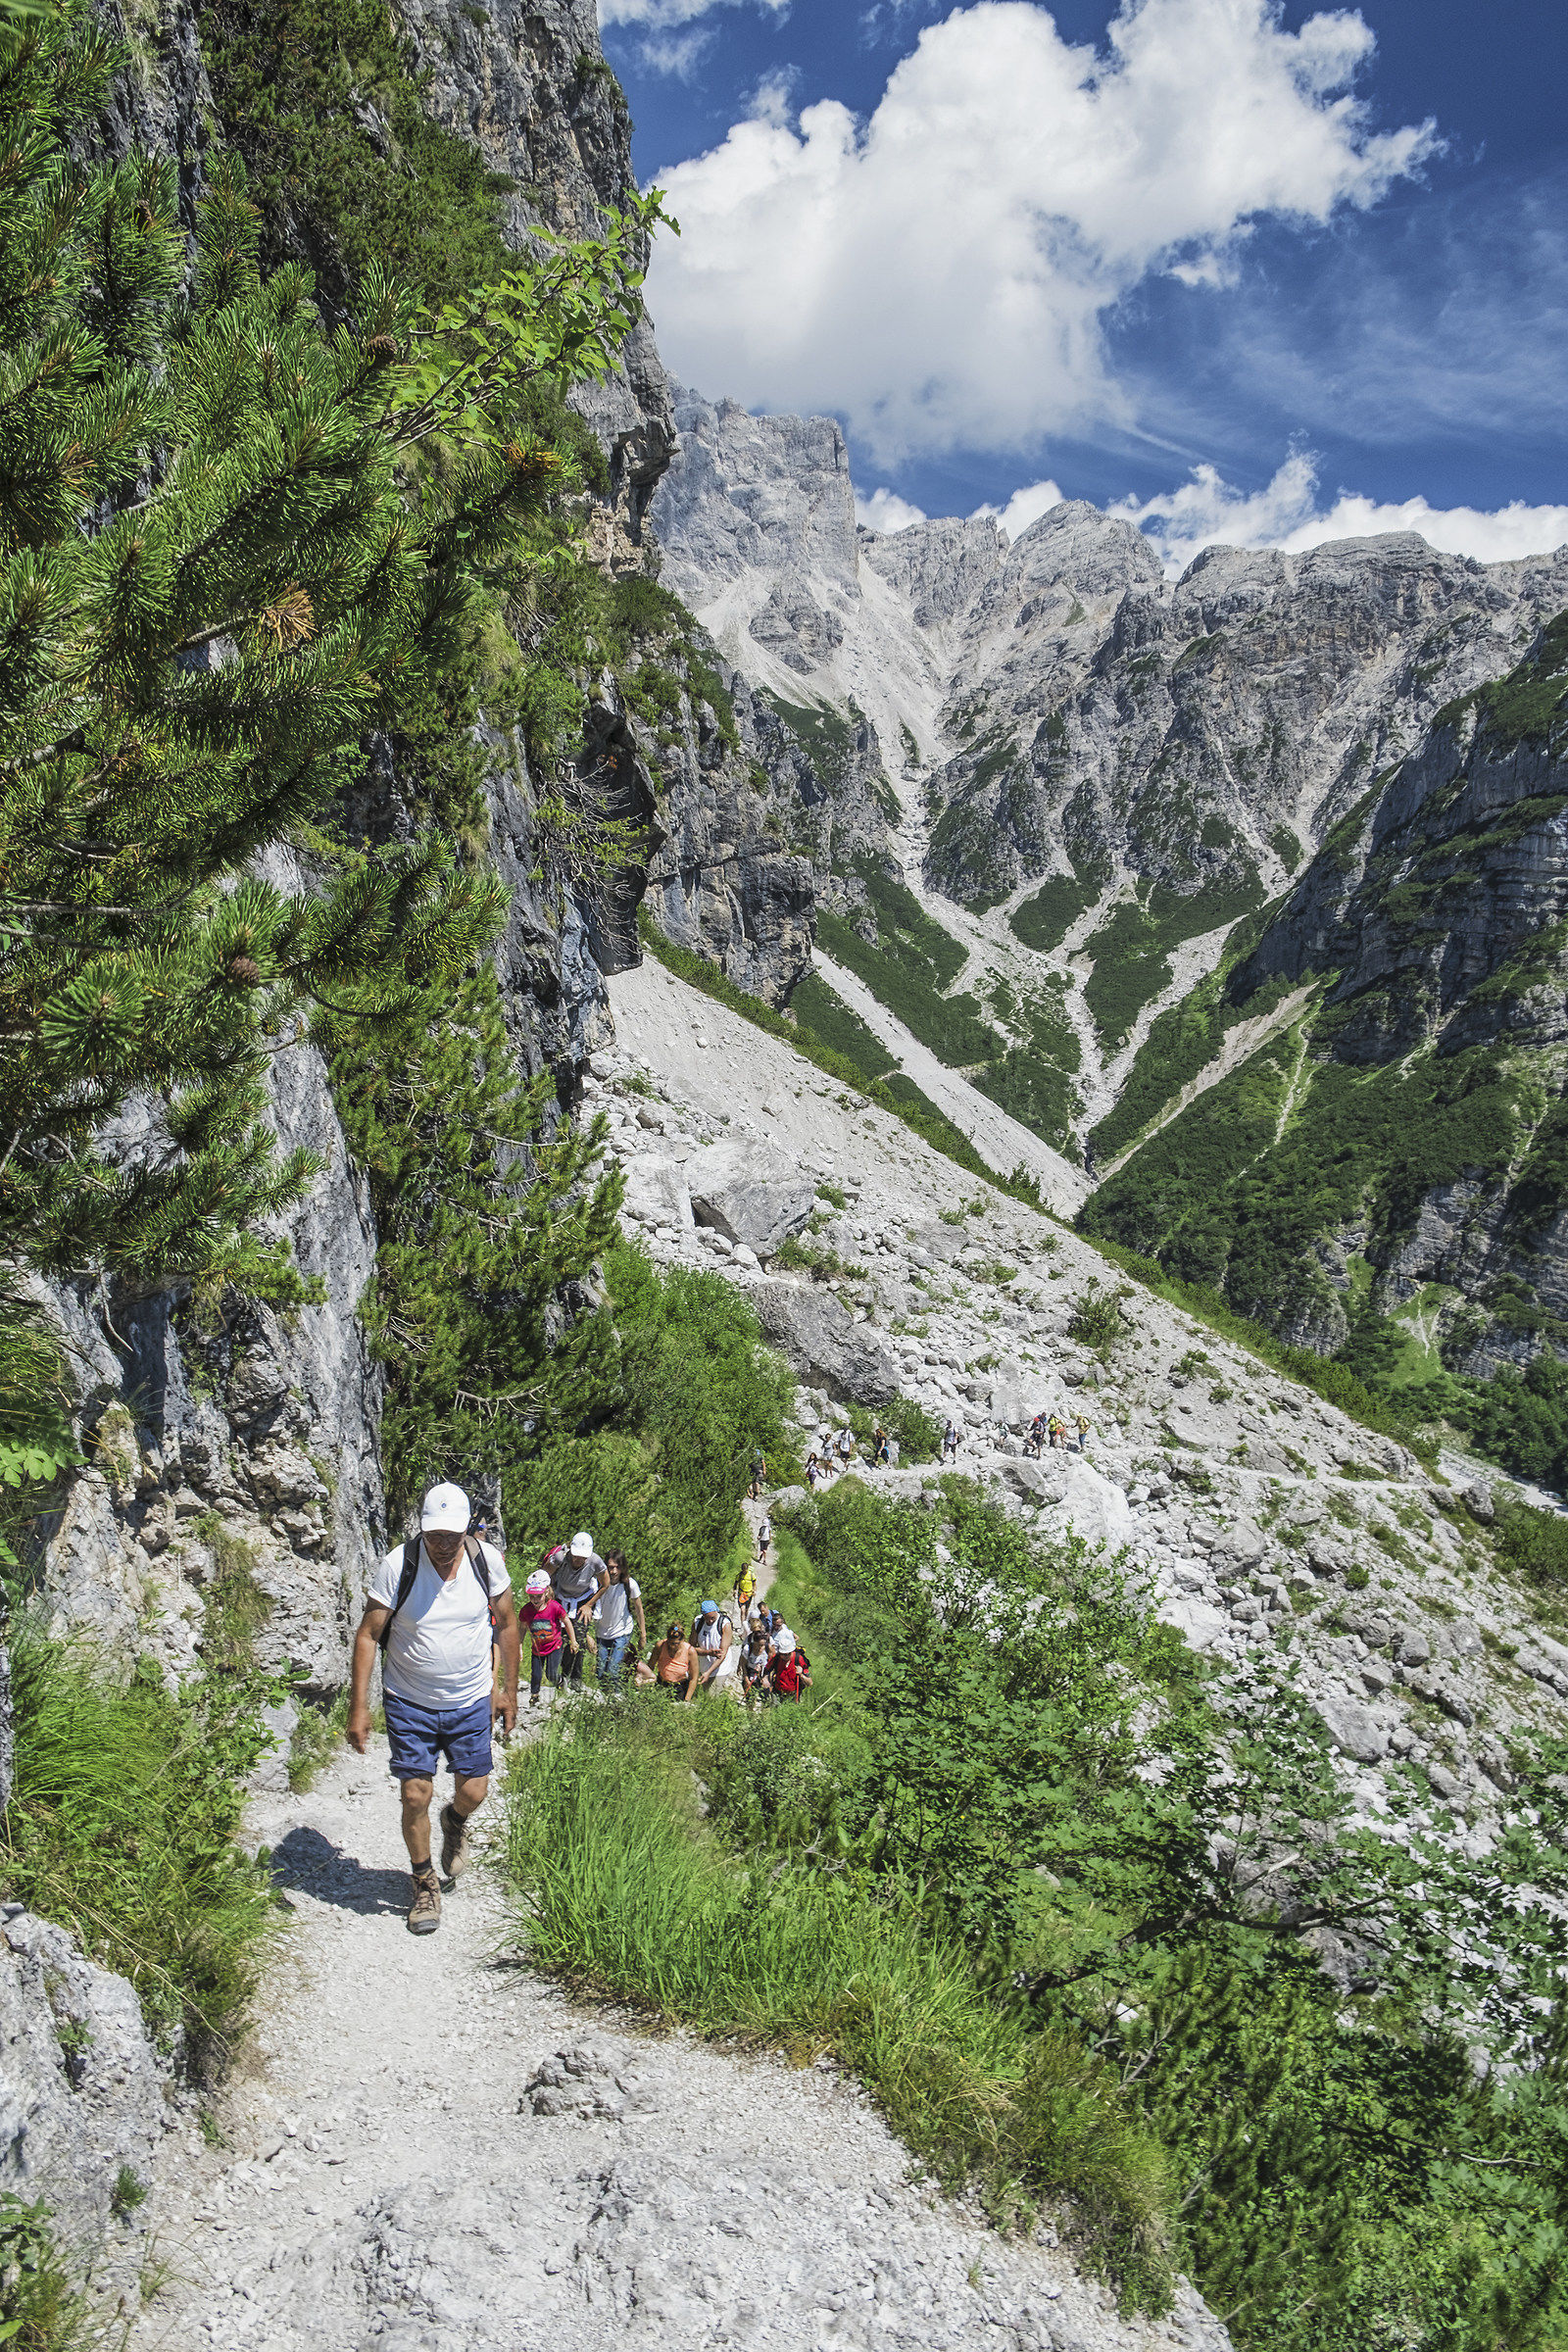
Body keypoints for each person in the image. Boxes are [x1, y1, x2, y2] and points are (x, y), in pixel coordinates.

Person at [347, 1482, 519, 1936]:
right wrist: (358, 1707)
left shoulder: (487, 1562)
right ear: (421, 1530)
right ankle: (424, 1883)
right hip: (410, 1702)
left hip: (470, 1699)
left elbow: (507, 1625)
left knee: (475, 1790)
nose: (442, 1545)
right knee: (413, 1794)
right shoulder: (398, 1565)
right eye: (433, 1535)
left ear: (467, 1530)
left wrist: (507, 1691)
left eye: (451, 1535)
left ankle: (454, 1821)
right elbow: (368, 1635)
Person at [549, 1529, 605, 1686]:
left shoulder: (595, 1562)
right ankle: (558, 1675)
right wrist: (550, 1588)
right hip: (561, 1597)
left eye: (582, 1557)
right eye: (575, 1556)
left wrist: (589, 1604)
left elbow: (605, 1584)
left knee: (579, 1636)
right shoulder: (560, 1557)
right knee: (561, 1635)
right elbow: (544, 1573)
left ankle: (575, 1677)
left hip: (583, 1600)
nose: (578, 1560)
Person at [520, 1569, 576, 1705]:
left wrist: (573, 1641)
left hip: (554, 1646)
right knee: (536, 1674)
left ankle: (560, 1681)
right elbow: (521, 1629)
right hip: (537, 1649)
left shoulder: (554, 1607)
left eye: (538, 1596)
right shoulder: (526, 1611)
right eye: (531, 1596)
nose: (534, 1600)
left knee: (551, 1674)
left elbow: (567, 1621)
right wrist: (519, 1647)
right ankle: (534, 1695)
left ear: (546, 1592)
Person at [591, 1551, 644, 1687]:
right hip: (602, 1632)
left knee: (613, 1669)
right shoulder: (598, 1583)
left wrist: (643, 1634)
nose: (614, 1571)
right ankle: (602, 1699)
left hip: (622, 1632)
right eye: (610, 1567)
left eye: (617, 1567)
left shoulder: (629, 1584)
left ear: (623, 1568)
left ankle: (616, 1696)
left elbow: (638, 1609)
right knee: (601, 1671)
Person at [637, 1619, 701, 1699]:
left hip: (680, 1688)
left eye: (676, 1644)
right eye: (670, 1643)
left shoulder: (690, 1651)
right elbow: (650, 1666)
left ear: (682, 1640)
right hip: (662, 1684)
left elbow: (693, 1678)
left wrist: (687, 1700)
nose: (672, 1646)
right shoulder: (660, 1646)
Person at [693, 1596, 736, 1690]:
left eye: (712, 1618)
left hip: (720, 1667)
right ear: (703, 1615)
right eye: (707, 1618)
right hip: (703, 1665)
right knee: (704, 1694)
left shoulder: (725, 1624)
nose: (710, 1621)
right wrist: (708, 1652)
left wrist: (708, 1672)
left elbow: (722, 1654)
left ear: (717, 1612)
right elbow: (691, 1649)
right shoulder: (697, 1622)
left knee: (713, 1695)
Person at [739, 1627, 770, 1701]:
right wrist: (746, 1679)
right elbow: (743, 1664)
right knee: (749, 1696)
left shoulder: (767, 1649)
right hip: (749, 1672)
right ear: (754, 1642)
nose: (760, 1648)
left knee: (765, 1697)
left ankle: (764, 1710)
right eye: (759, 1645)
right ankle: (750, 1709)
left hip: (762, 1674)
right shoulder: (747, 1649)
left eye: (762, 1645)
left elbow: (770, 1665)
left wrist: (765, 1677)